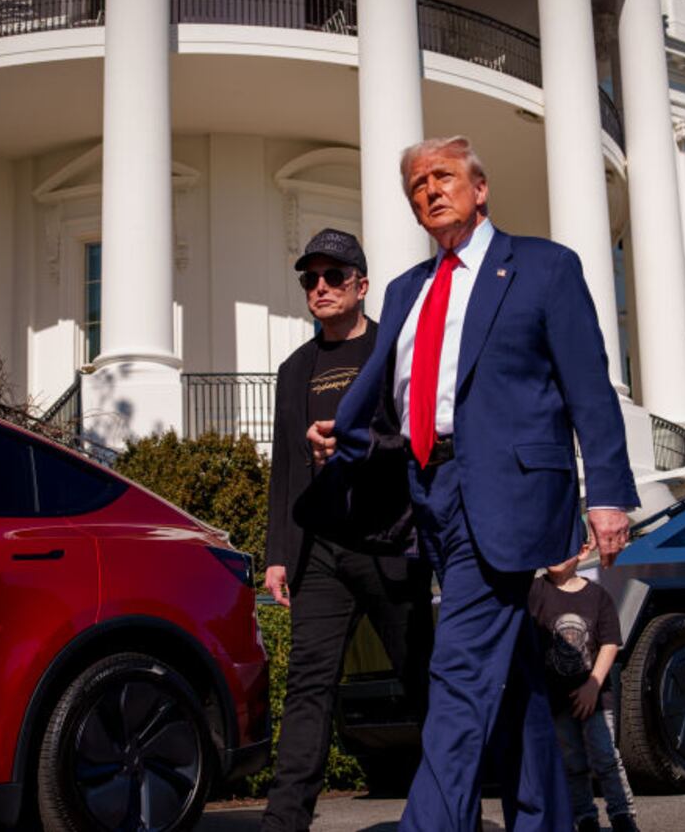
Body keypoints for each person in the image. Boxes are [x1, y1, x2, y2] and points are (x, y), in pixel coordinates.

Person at [309, 136, 638, 831]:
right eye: (417, 185)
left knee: (457, 670)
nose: (429, 190)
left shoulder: (543, 267)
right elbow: (403, 401)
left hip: (509, 490)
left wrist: (606, 492)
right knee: (512, 671)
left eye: (443, 176)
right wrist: (348, 439)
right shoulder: (406, 289)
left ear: (479, 189)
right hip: (428, 491)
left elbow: (588, 386)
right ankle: (546, 819)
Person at [261, 228, 432, 832]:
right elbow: (285, 466)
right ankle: (283, 823)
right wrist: (278, 553)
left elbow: (421, 443)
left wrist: (357, 449)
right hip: (322, 552)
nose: (321, 288)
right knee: (308, 690)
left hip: (391, 542)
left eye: (334, 276)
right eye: (311, 278)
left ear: (361, 284)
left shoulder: (396, 350)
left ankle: (447, 807)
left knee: (423, 682)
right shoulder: (294, 369)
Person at [530, 539, 640, 832]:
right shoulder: (536, 592)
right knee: (571, 762)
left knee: (605, 757)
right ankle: (585, 817)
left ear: (582, 551)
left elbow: (609, 643)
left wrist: (593, 684)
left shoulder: (597, 596)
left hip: (595, 696)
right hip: (556, 699)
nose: (553, 554)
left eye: (561, 546)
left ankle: (622, 815)